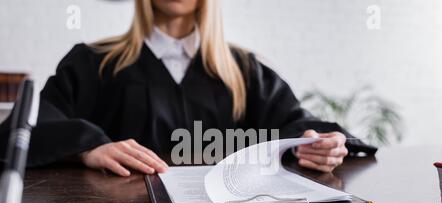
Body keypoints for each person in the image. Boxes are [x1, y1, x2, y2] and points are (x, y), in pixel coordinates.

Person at [0, 0, 376, 176]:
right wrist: (86, 145)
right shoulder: (94, 62)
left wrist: (320, 144)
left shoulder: (243, 70)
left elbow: (296, 123)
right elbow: (27, 124)